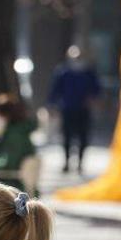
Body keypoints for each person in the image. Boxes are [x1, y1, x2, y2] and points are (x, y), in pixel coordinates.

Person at [48, 45, 101, 173]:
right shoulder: (63, 72)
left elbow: (96, 89)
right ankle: (66, 162)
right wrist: (51, 105)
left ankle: (80, 163)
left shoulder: (88, 72)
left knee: (83, 137)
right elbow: (55, 90)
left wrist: (92, 99)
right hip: (67, 109)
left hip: (83, 110)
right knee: (67, 137)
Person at [0, 93, 37, 190]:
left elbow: (8, 164)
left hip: (14, 185)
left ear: (6, 115)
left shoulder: (14, 136)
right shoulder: (19, 131)